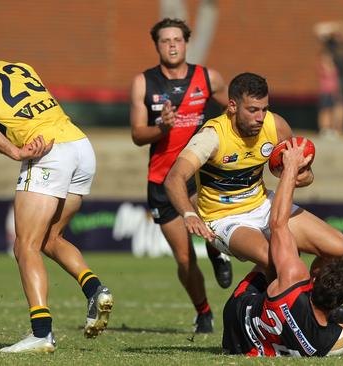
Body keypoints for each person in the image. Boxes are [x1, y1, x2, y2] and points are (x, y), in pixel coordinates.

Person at [0, 29, 113, 353]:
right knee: (51, 239)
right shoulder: (20, 66)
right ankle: (95, 291)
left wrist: (15, 152)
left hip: (49, 152)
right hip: (80, 144)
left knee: (25, 246)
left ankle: (41, 333)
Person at [221, 137, 343, 356]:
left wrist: (291, 170)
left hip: (236, 316)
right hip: (240, 344)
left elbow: (278, 223)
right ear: (339, 303)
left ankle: (221, 242)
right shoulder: (330, 341)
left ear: (312, 282)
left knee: (282, 254)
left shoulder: (292, 278)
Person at [164, 72, 343, 277]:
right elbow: (174, 178)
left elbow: (303, 175)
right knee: (278, 260)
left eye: (264, 109)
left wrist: (304, 176)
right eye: (253, 110)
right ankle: (250, 301)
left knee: (340, 249)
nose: (260, 118)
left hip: (262, 204)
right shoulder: (211, 136)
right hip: (224, 218)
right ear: (232, 106)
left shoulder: (276, 126)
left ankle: (312, 304)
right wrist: (189, 214)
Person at [129, 18, 231, 334]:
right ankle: (203, 312)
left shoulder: (208, 77)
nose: (172, 45)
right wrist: (163, 127)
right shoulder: (143, 82)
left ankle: (216, 250)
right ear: (157, 45)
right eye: (165, 40)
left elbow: (235, 111)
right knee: (185, 259)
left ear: (186, 43)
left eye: (177, 39)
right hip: (161, 179)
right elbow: (136, 134)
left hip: (198, 173)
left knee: (210, 224)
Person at [313, 21, 343, 137]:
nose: (341, 35)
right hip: (330, 78)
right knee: (328, 103)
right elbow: (318, 30)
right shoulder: (331, 44)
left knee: (341, 102)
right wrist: (335, 27)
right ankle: (326, 128)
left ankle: (338, 128)